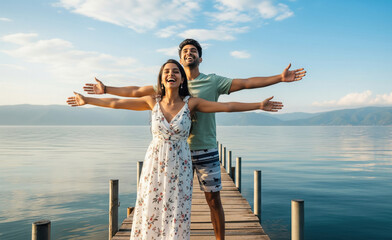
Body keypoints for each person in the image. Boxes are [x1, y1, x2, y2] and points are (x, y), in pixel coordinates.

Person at [83, 39, 305, 240]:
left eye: (194, 51)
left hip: (206, 148)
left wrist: (277, 80)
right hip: (176, 154)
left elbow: (243, 86)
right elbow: (133, 92)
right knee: (170, 199)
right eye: (185, 51)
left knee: (213, 199)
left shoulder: (212, 82)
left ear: (200, 57)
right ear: (179, 60)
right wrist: (104, 90)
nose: (189, 53)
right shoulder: (163, 88)